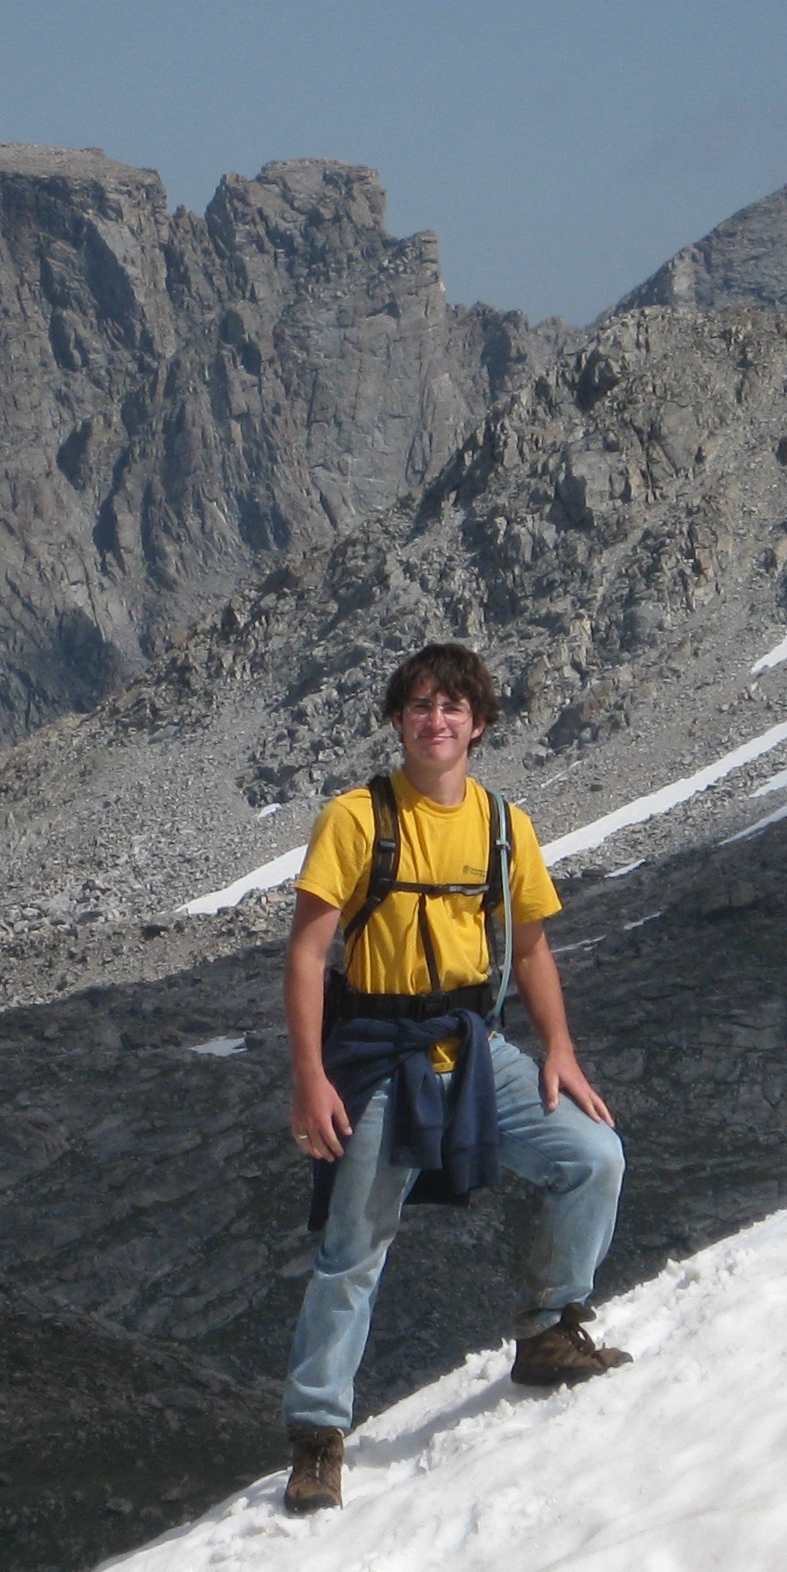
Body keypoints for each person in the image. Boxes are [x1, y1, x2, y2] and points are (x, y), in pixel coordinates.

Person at [278, 643, 628, 1513]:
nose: (437, 721)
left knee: (593, 1157)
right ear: (398, 720)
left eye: (453, 707)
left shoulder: (504, 824)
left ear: (478, 723)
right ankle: (317, 1436)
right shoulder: (357, 819)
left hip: (472, 1048)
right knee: (352, 1248)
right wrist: (310, 1077)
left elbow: (534, 944)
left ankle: (549, 1330)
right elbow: (308, 949)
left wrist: (560, 1051)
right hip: (376, 1052)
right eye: (421, 706)